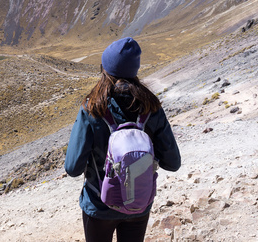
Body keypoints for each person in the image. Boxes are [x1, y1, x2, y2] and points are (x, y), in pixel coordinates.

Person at [65, 37, 181, 242]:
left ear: (105, 69)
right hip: (138, 205)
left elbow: (73, 167)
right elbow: (173, 163)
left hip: (99, 206)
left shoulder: (92, 109)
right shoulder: (152, 108)